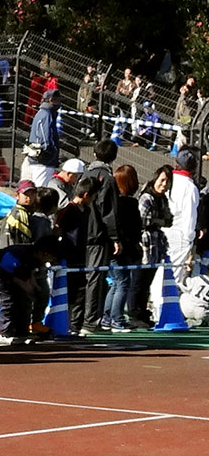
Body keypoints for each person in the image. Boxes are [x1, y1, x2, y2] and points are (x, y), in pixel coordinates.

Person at [78, 140, 121, 335]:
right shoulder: (108, 179)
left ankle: (79, 319)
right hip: (98, 234)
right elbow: (109, 212)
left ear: (94, 154)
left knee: (84, 277)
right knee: (95, 277)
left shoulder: (85, 175)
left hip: (81, 233)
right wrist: (115, 237)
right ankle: (90, 321)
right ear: (113, 157)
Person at [102, 164, 144, 331]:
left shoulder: (111, 203)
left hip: (110, 247)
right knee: (123, 282)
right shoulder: (130, 204)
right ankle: (117, 318)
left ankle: (107, 316)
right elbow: (135, 228)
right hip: (123, 248)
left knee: (116, 282)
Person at [130, 165, 173, 327]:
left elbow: (169, 219)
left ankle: (142, 312)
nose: (164, 185)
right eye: (162, 180)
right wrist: (159, 221)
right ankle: (134, 314)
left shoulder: (162, 199)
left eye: (167, 182)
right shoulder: (146, 197)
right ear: (156, 178)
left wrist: (158, 221)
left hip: (156, 245)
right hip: (144, 244)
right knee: (139, 281)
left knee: (147, 281)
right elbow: (143, 220)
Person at [166, 149, 199, 278]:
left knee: (159, 274)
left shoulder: (167, 179)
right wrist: (190, 239)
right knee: (175, 278)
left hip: (163, 232)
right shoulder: (190, 188)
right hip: (180, 236)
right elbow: (189, 217)